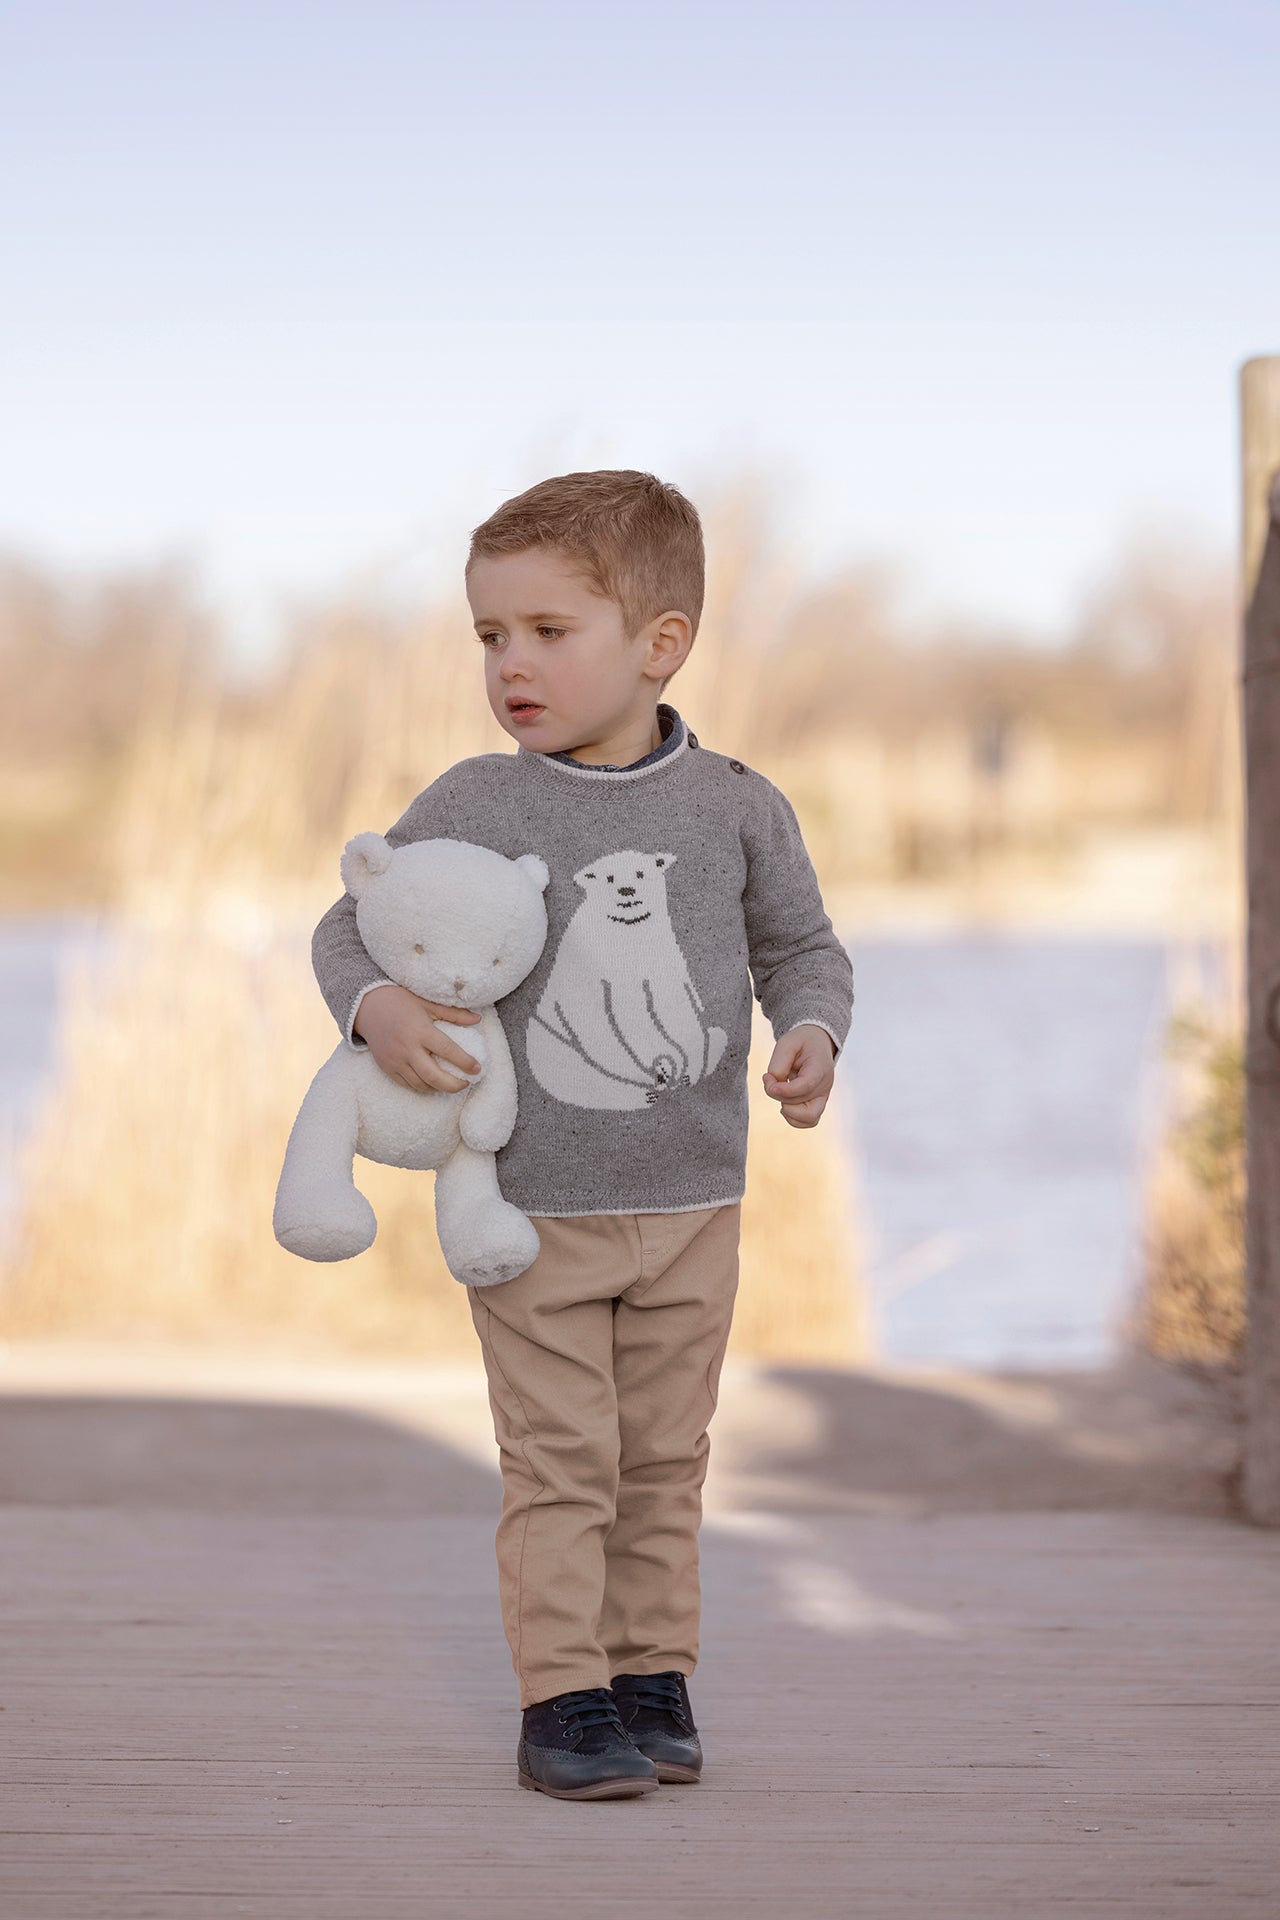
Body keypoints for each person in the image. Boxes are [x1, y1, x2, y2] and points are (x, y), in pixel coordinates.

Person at [309, 469, 855, 1802]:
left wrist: (812, 1031)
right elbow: (346, 926)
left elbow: (803, 948)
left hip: (694, 1204)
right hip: (529, 1207)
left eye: (549, 632)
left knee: (664, 1460)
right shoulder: (478, 802)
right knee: (562, 1463)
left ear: (661, 644)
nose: (511, 664)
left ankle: (651, 1674)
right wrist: (378, 1006)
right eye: (491, 635)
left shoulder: (736, 803)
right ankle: (562, 1696)